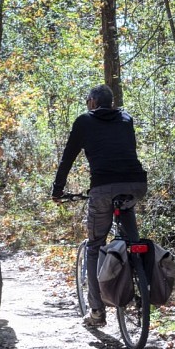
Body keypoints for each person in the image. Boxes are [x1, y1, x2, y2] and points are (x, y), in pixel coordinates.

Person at [51, 85, 147, 327]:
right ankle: (137, 276)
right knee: (132, 242)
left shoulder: (84, 121)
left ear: (92, 102)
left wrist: (58, 190)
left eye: (87, 101)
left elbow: (68, 157)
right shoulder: (126, 118)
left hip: (103, 187)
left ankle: (96, 312)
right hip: (135, 185)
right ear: (112, 102)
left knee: (95, 246)